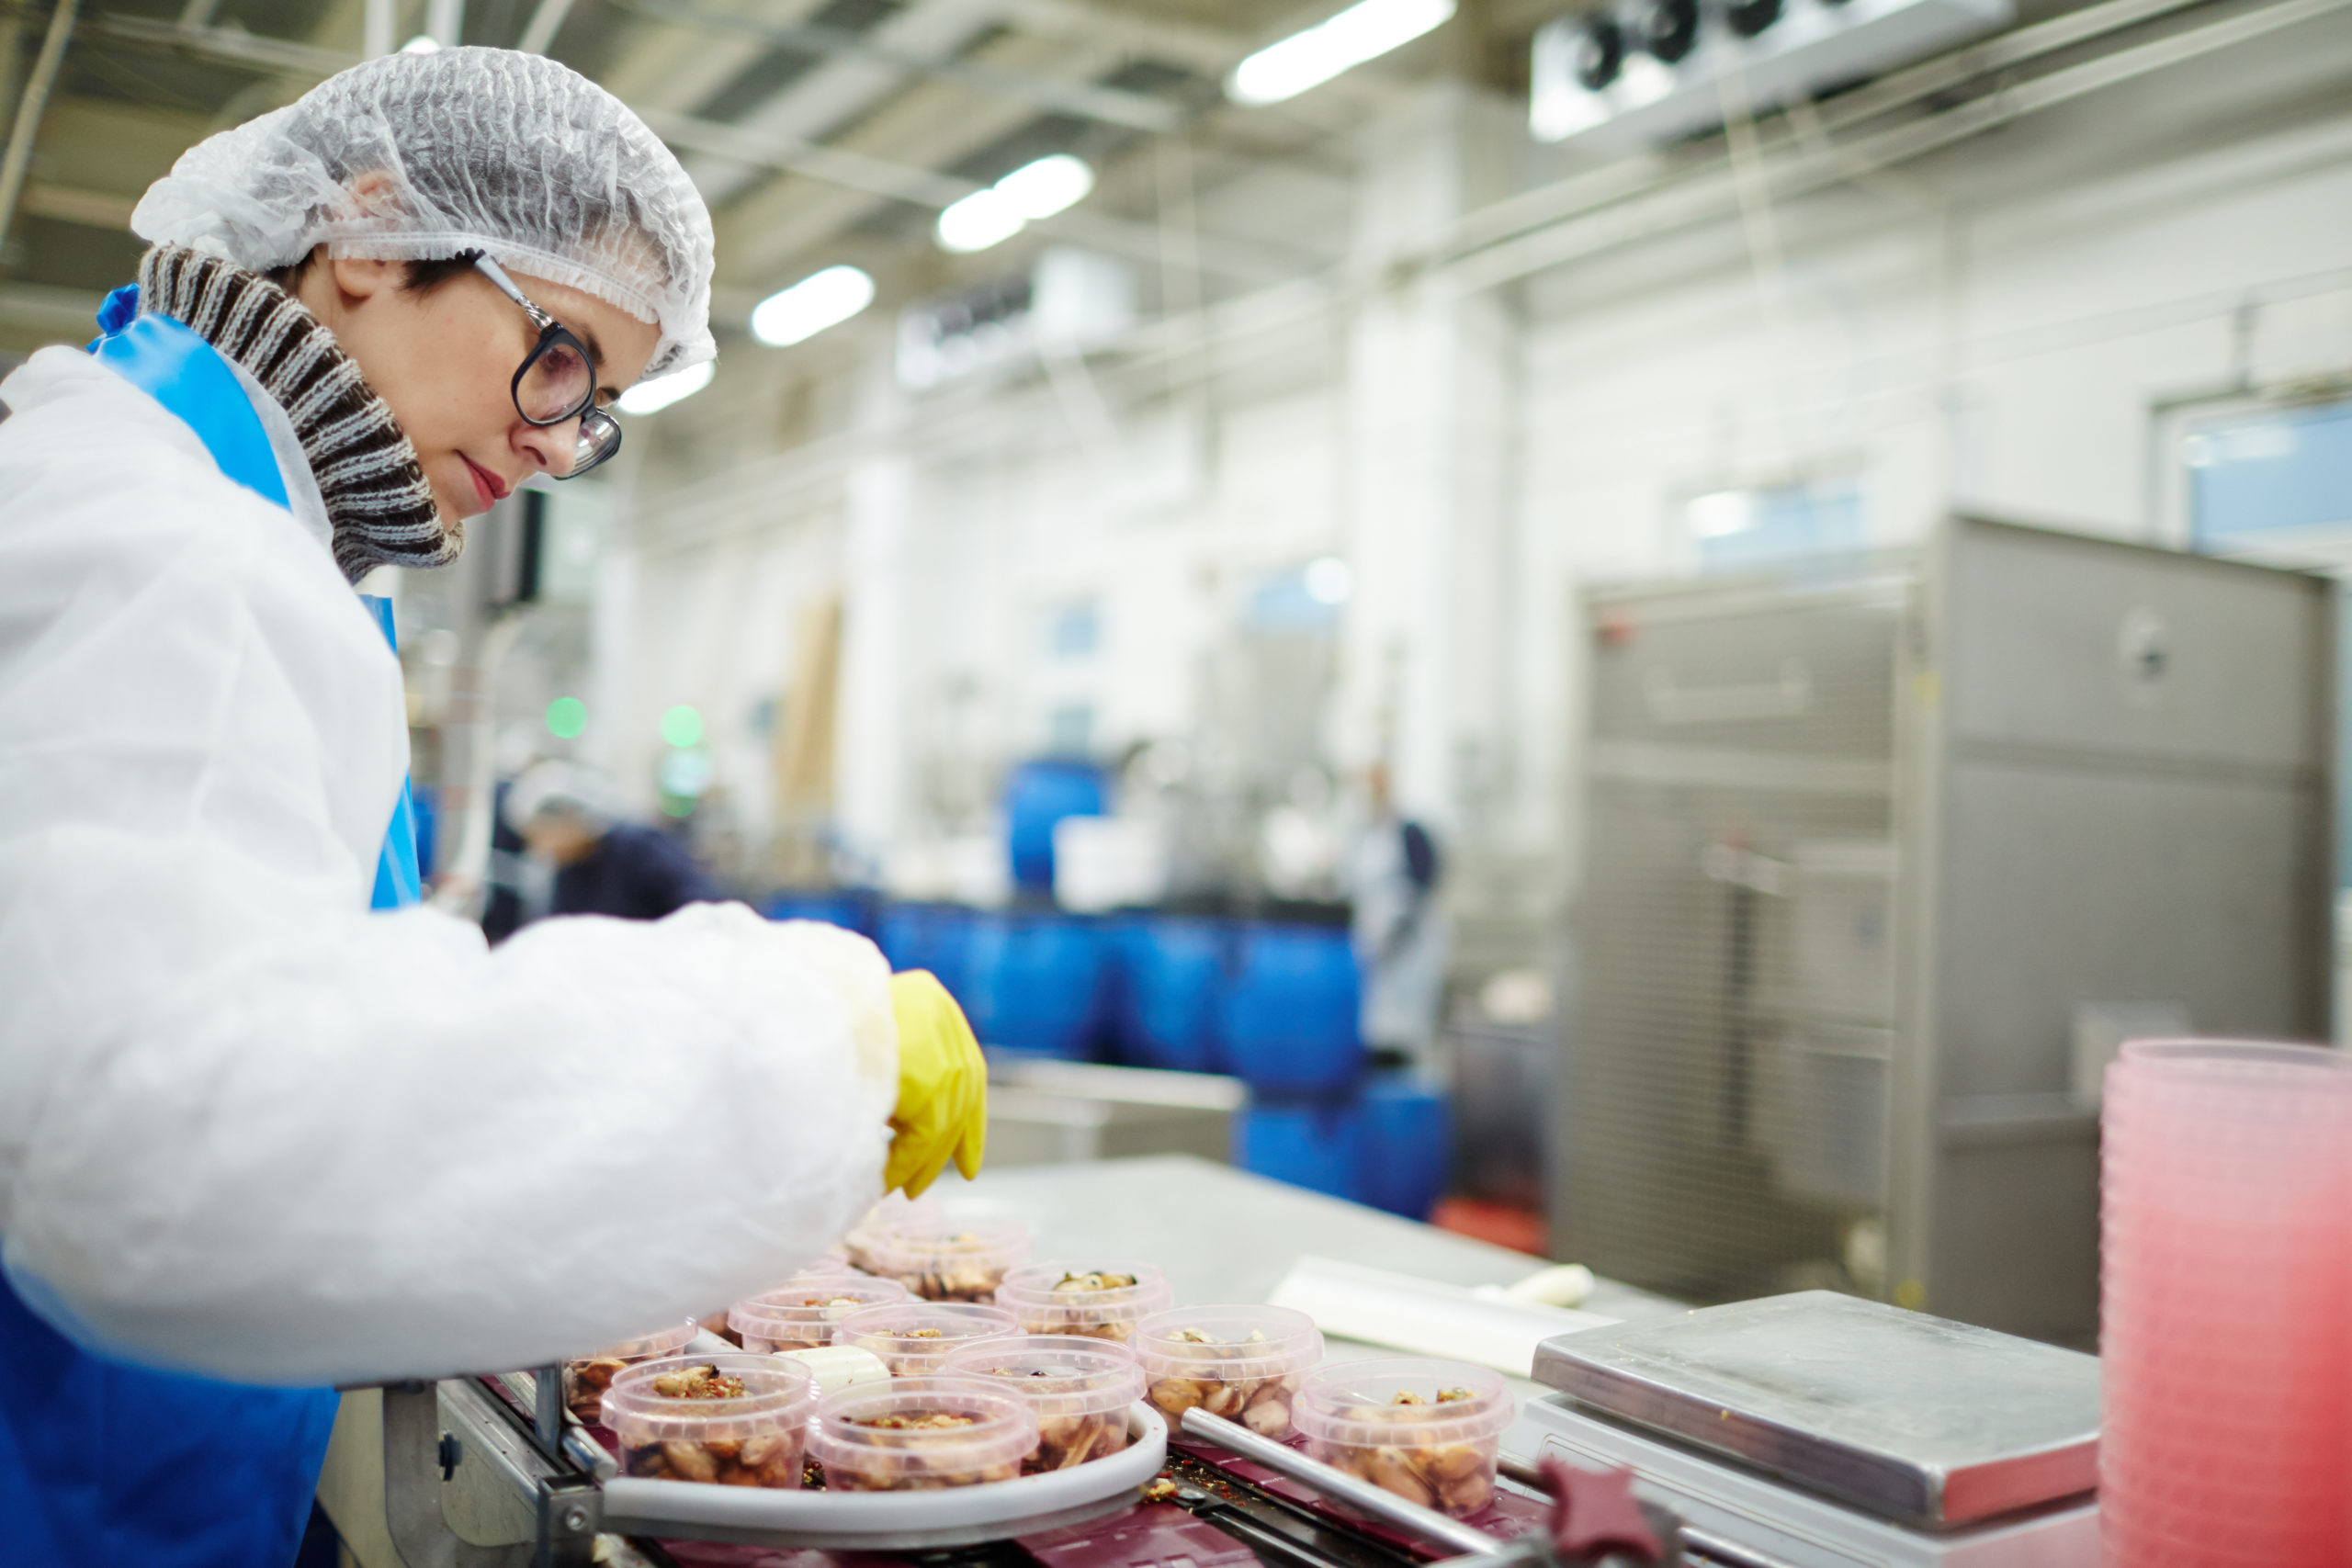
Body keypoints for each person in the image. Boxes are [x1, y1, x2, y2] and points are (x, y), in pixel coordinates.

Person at [0, 48, 986, 1568]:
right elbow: (168, 1137)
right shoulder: (159, 548)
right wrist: (806, 1043)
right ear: (376, 235)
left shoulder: (251, 543)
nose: (550, 443)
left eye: (595, 413)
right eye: (562, 357)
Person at [507, 758, 719, 923]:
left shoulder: (638, 848)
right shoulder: (567, 872)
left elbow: (700, 909)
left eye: (540, 835)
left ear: (568, 820)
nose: (537, 848)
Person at [1344, 761, 1451, 1072]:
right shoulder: (1363, 836)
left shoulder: (1410, 833)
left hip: (1411, 947)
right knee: (1377, 1027)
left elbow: (1425, 883)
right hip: (1374, 947)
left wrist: (1401, 930)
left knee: (1408, 1031)